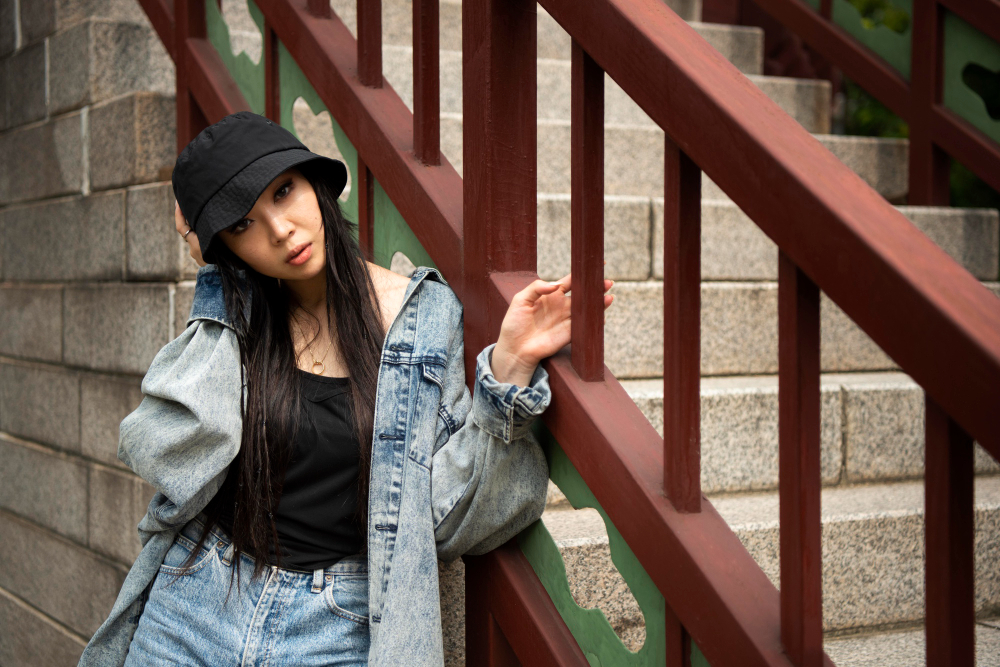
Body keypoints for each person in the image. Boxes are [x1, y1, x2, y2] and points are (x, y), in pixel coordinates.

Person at [77, 111, 614, 666]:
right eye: (241, 225)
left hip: (337, 624)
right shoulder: (240, 317)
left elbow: (453, 518)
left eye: (283, 192)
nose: (280, 230)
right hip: (197, 598)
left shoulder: (422, 318)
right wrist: (214, 277)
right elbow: (170, 451)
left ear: (313, 182)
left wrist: (510, 366)